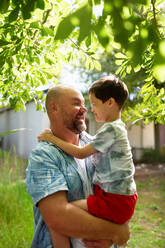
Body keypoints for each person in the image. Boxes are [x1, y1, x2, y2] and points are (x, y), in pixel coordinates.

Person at [37, 75, 137, 247]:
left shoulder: (110, 130)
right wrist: (117, 230)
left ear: (110, 103)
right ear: (54, 108)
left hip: (113, 199)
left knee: (67, 214)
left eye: (93, 104)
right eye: (78, 104)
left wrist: (51, 138)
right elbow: (56, 216)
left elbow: (82, 153)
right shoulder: (44, 157)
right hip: (118, 198)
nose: (88, 109)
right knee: (58, 219)